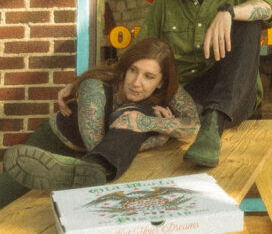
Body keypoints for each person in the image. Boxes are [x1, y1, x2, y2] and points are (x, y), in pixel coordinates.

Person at [59, 0, 272, 169]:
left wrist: (229, 12)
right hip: (183, 98)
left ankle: (213, 124)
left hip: (234, 97)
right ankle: (97, 168)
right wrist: (82, 81)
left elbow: (271, 9)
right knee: (134, 115)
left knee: (250, 20)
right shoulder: (167, 1)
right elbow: (139, 55)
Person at [0, 37, 198, 207]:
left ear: (161, 82)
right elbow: (98, 147)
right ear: (125, 69)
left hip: (87, 164)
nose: (137, 82)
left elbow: (193, 127)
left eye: (149, 76)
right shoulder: (95, 88)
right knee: (5, 195)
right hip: (54, 147)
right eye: (133, 71)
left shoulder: (169, 91)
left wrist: (154, 124)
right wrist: (161, 137)